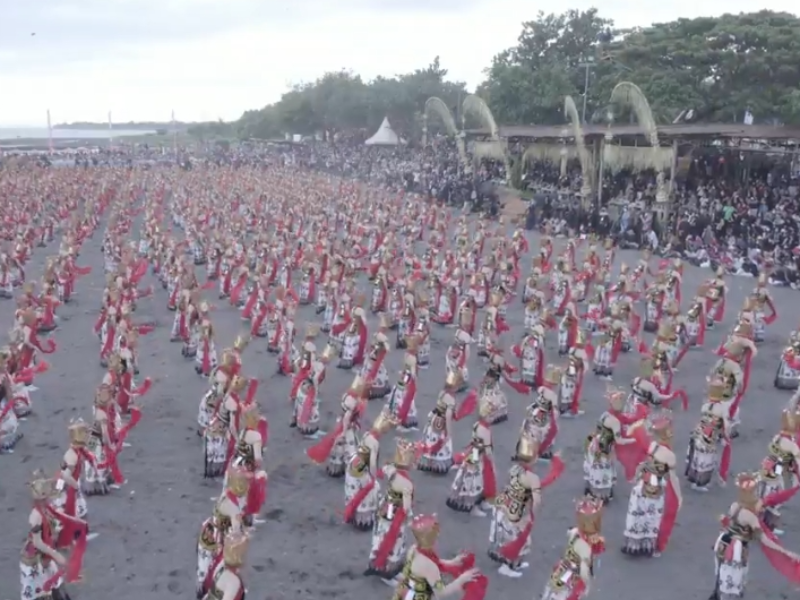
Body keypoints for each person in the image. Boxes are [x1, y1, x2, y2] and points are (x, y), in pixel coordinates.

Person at [392, 514, 483, 600]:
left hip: (405, 592)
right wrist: (461, 579)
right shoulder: (430, 567)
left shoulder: (414, 549)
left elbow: (433, 561)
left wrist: (451, 562)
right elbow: (441, 592)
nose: (438, 534)